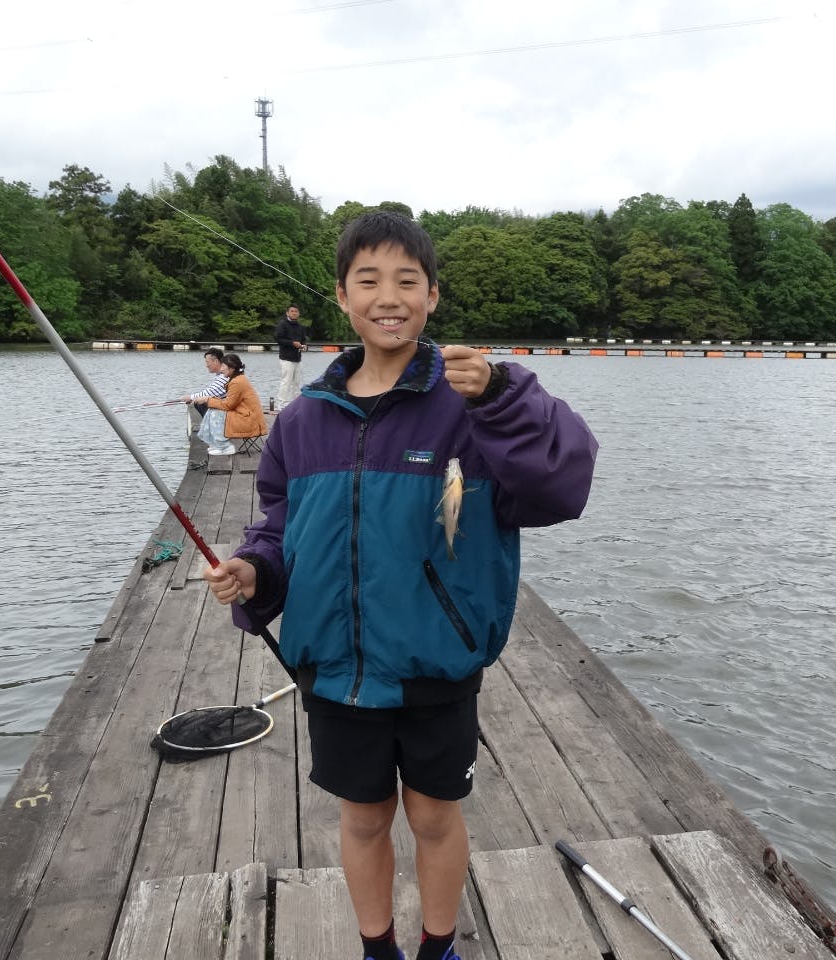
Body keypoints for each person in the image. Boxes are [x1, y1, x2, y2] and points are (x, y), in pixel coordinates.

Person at [205, 211, 597, 960]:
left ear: (433, 296)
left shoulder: (475, 404)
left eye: (407, 281)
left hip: (434, 667)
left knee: (436, 818)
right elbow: (281, 524)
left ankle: (439, 946)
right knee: (361, 819)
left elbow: (561, 485)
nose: (390, 296)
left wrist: (504, 395)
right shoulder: (303, 420)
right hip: (336, 672)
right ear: (342, 298)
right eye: (369, 281)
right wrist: (254, 572)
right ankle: (379, 948)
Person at [202, 352, 269, 456]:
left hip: (250, 421)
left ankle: (226, 447)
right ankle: (216, 444)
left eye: (223, 366)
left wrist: (208, 400)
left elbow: (228, 406)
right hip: (246, 416)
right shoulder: (238, 379)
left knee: (216, 413)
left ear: (232, 368)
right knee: (212, 409)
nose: (221, 369)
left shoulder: (237, 382)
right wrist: (210, 401)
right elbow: (229, 403)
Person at [273, 304, 308, 411]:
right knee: (286, 381)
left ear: (299, 313)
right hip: (286, 358)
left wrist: (304, 345)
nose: (294, 313)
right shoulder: (282, 324)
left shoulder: (300, 326)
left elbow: (303, 339)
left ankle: (296, 403)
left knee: (297, 382)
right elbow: (278, 339)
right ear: (287, 313)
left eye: (296, 311)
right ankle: (281, 404)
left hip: (297, 358)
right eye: (292, 311)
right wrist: (292, 343)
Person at [181, 348, 228, 416]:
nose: (206, 365)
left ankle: (200, 426)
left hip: (227, 414)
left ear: (216, 361)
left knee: (196, 403)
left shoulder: (224, 376)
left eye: (207, 362)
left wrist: (189, 397)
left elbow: (208, 393)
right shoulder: (221, 375)